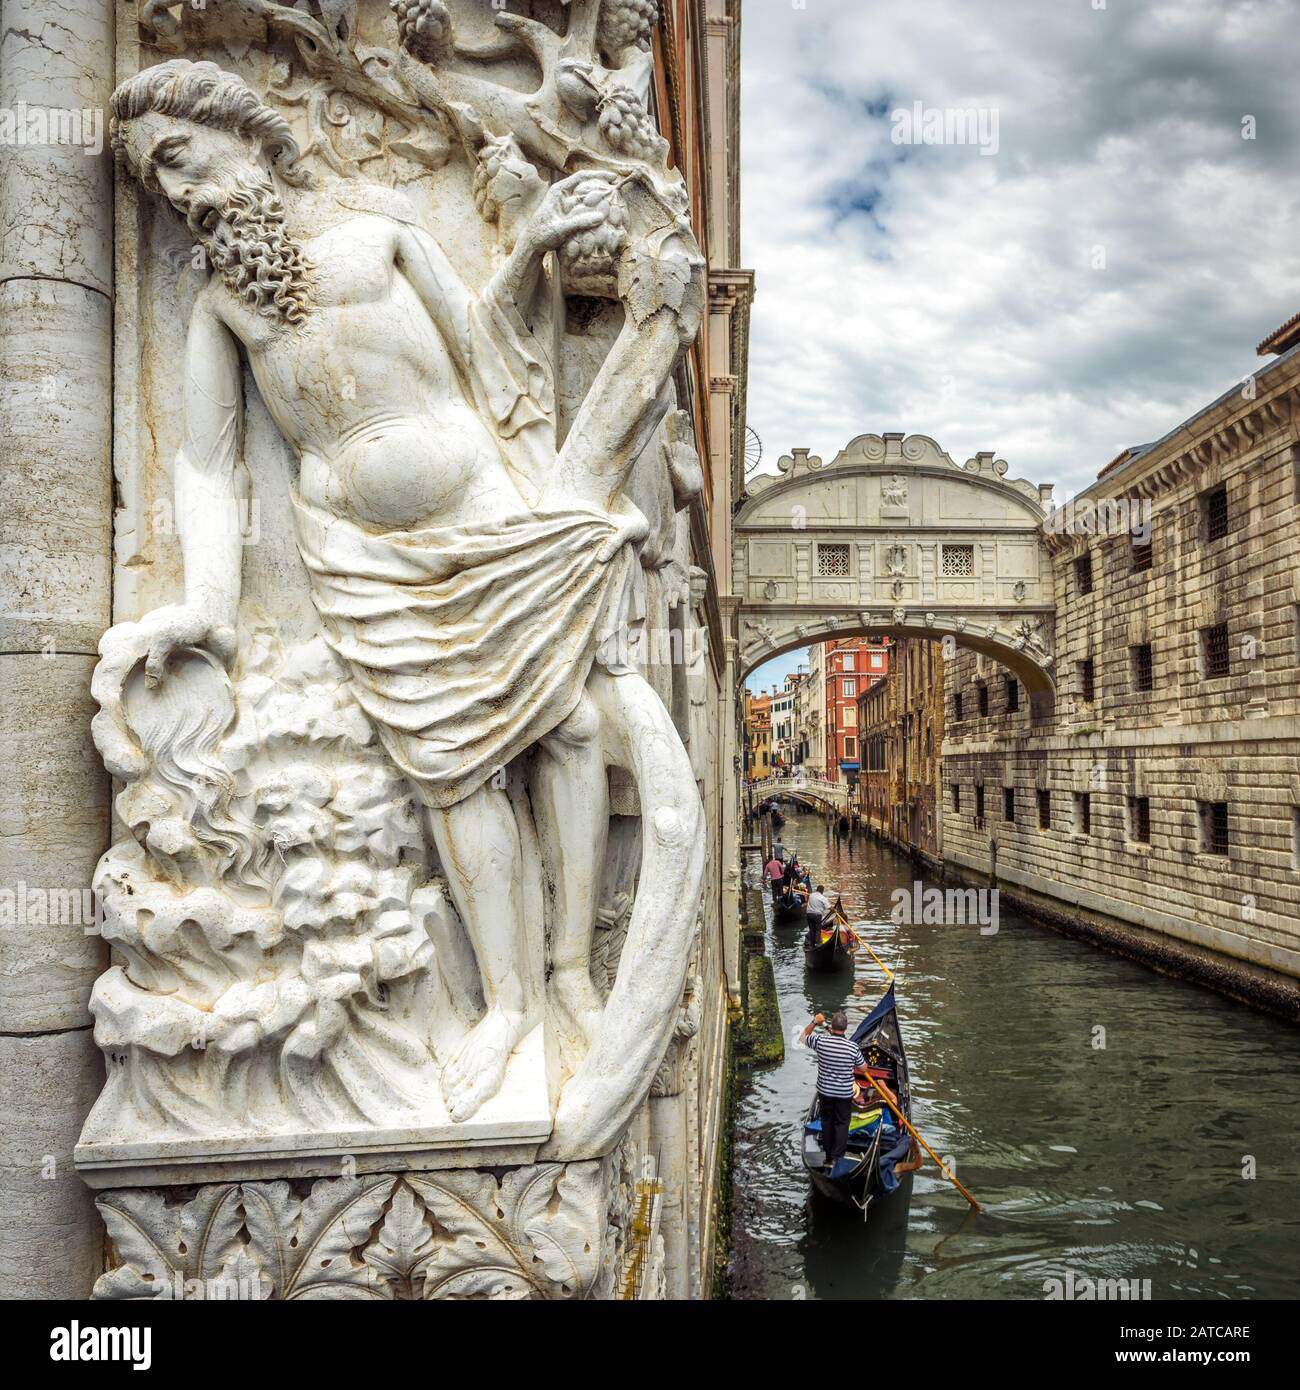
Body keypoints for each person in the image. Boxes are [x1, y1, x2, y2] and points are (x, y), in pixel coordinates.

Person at [801, 1012, 864, 1171]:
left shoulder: (820, 1041)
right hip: (844, 1093)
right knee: (842, 1124)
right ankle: (837, 1158)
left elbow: (803, 1037)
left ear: (833, 1026)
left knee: (827, 1122)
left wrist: (814, 1022)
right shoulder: (852, 1047)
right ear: (845, 1027)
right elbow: (863, 1068)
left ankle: (828, 1157)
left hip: (825, 1092)